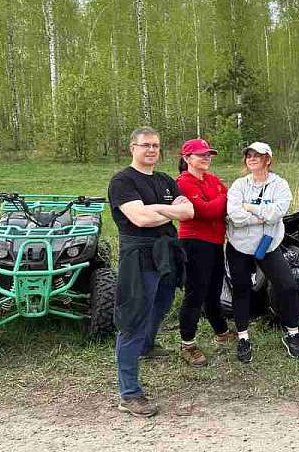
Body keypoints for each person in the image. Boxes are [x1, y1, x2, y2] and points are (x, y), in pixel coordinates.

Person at [109, 127, 194, 418]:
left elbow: (189, 212)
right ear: (132, 147)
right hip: (139, 257)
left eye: (156, 146)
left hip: (166, 253)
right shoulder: (123, 181)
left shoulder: (165, 180)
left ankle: (147, 346)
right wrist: (167, 209)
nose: (151, 150)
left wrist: (156, 208)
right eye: (145, 145)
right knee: (133, 319)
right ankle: (129, 393)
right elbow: (140, 219)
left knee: (161, 305)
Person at [226, 142, 299, 362]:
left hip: (268, 245)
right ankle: (242, 337)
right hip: (238, 245)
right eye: (248, 155)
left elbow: (277, 213)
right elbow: (234, 215)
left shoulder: (280, 184)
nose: (251, 158)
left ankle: (292, 333)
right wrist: (259, 216)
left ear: (268, 158)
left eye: (257, 155)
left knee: (287, 286)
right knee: (241, 289)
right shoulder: (239, 185)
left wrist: (249, 208)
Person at [175, 138, 235, 367]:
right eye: (201, 155)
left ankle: (221, 332)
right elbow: (207, 211)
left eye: (208, 154)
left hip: (215, 242)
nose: (207, 158)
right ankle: (187, 344)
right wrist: (221, 199)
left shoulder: (211, 179)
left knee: (213, 291)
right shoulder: (183, 183)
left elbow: (226, 202)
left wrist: (221, 200)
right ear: (187, 158)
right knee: (195, 293)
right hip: (194, 243)